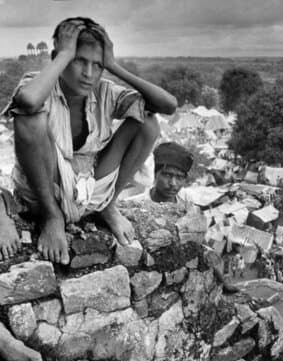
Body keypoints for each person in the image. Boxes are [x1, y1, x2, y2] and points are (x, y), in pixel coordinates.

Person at [0, 17, 177, 263]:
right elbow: (28, 102)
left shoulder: (105, 91)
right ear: (59, 58)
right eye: (79, 61)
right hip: (43, 191)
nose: (88, 74)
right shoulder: (38, 85)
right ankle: (53, 218)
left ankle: (107, 206)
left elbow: (168, 105)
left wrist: (113, 65)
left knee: (147, 122)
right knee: (30, 118)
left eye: (97, 65)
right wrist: (63, 56)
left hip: (91, 189)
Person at [129, 141, 239, 293]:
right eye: (167, 175)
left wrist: (223, 282)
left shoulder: (186, 200)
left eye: (179, 177)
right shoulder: (137, 205)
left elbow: (201, 244)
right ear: (155, 173)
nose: (173, 184)